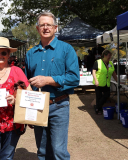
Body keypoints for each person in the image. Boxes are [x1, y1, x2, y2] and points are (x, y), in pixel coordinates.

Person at [25, 12, 80, 160]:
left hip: (59, 105)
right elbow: (27, 83)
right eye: (42, 25)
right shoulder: (31, 54)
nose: (45, 27)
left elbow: (74, 79)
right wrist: (29, 110)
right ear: (37, 28)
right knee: (42, 151)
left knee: (59, 152)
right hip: (38, 107)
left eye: (48, 24)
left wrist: (48, 80)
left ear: (55, 27)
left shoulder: (66, 49)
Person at [92, 49, 117, 115]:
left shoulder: (110, 63)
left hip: (107, 83)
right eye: (109, 55)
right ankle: (98, 110)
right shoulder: (98, 62)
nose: (110, 57)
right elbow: (93, 71)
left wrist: (117, 81)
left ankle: (97, 107)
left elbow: (113, 73)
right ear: (104, 55)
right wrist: (96, 80)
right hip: (99, 82)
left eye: (110, 56)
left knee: (107, 95)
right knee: (99, 97)